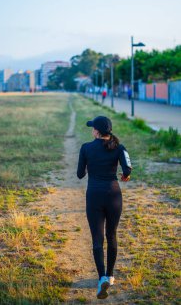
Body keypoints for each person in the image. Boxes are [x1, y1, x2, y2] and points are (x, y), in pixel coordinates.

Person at [77, 116, 131, 300]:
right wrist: (124, 177)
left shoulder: (86, 148)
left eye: (93, 128)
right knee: (112, 235)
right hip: (114, 196)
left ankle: (101, 279)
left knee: (97, 239)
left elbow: (79, 174)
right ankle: (111, 275)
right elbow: (127, 170)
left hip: (94, 196)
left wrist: (89, 165)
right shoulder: (119, 147)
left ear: (97, 132)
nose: (92, 131)